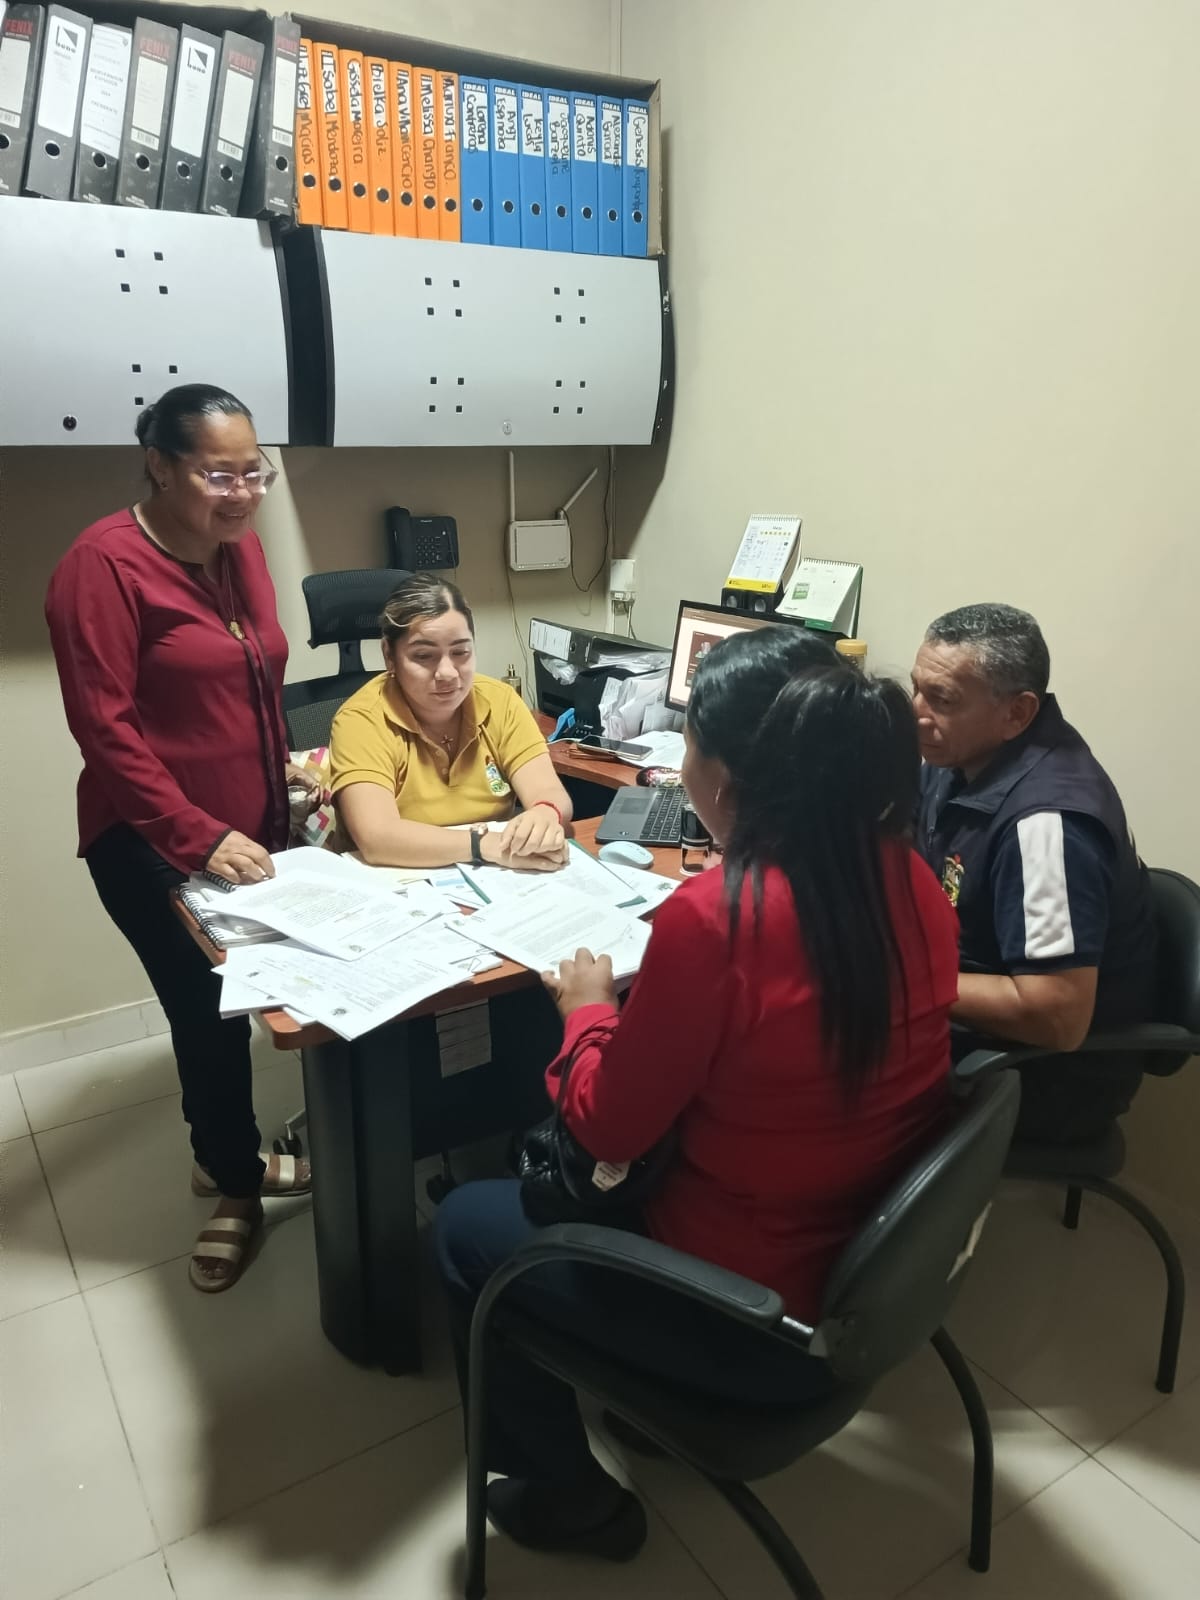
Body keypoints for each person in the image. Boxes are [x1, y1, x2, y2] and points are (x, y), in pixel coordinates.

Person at [434, 627, 960, 1564]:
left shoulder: (716, 920)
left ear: (724, 779)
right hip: (869, 1277)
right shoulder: (911, 875)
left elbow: (606, 1129)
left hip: (748, 1318)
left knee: (466, 1226)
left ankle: (570, 1499)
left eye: (689, 750)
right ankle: (638, 1412)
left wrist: (588, 1011)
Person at [45, 384, 320, 1294]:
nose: (243, 494)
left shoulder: (241, 553)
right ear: (160, 466)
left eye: (254, 473)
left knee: (257, 1001)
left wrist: (283, 768)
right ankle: (234, 1182)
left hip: (246, 828)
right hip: (150, 841)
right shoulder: (101, 566)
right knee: (208, 1016)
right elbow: (106, 731)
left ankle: (223, 1154)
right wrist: (198, 836)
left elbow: (250, 680)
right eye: (218, 475)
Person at [911, 602, 1157, 1141]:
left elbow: (1058, 1016)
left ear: (1017, 714)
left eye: (942, 700)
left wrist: (900, 981)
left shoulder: (1046, 827)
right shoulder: (960, 760)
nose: (917, 712)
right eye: (917, 689)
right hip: (965, 1014)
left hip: (1039, 1079)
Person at [330, 573, 572, 869]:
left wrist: (545, 814)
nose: (447, 672)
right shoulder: (361, 720)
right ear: (389, 656)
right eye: (423, 656)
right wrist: (483, 846)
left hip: (495, 876)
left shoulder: (501, 701)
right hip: (392, 879)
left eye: (460, 652)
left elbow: (549, 792)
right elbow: (377, 837)